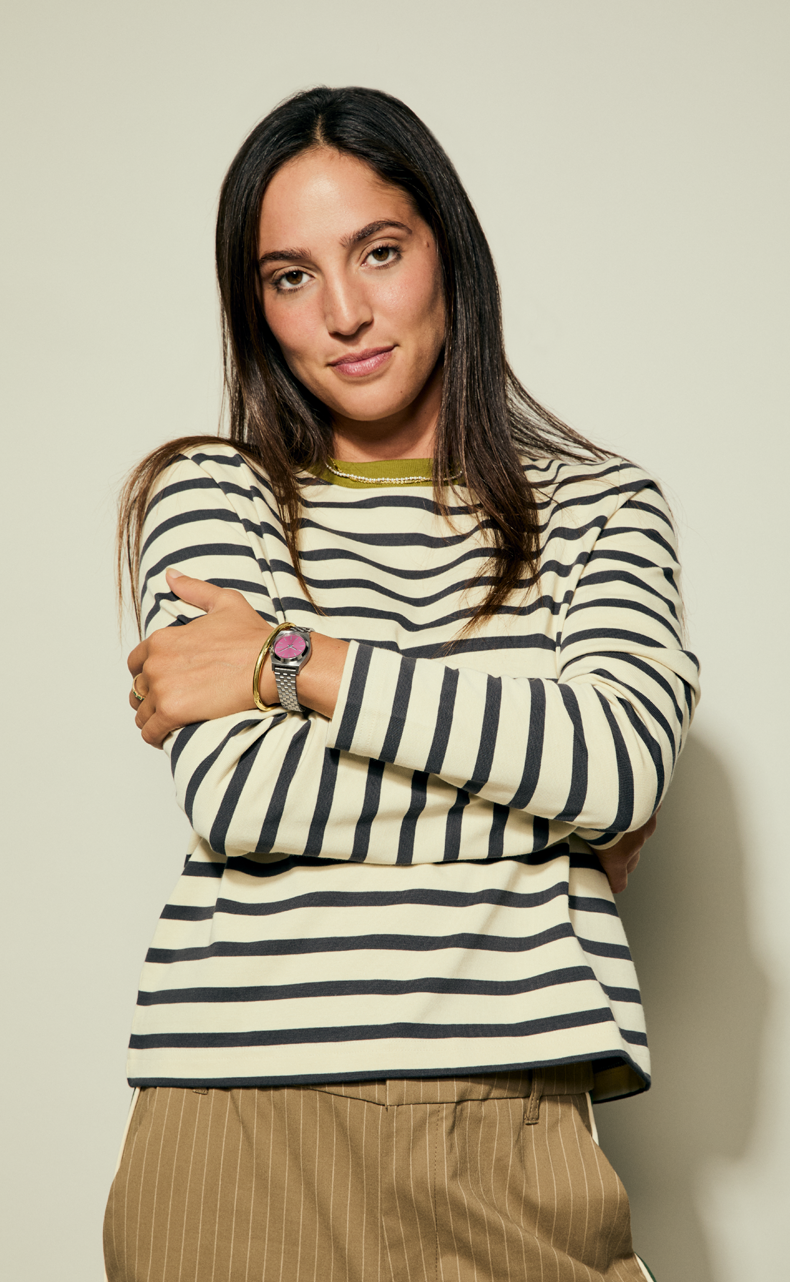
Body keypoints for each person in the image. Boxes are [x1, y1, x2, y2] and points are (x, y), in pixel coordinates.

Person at [104, 85, 699, 1282]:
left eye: (379, 251)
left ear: (448, 253)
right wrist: (556, 819)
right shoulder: (215, 494)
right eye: (290, 276)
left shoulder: (600, 508)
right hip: (234, 1122)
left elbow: (618, 765)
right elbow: (245, 797)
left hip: (509, 1116)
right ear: (256, 307)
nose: (344, 312)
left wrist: (294, 661)